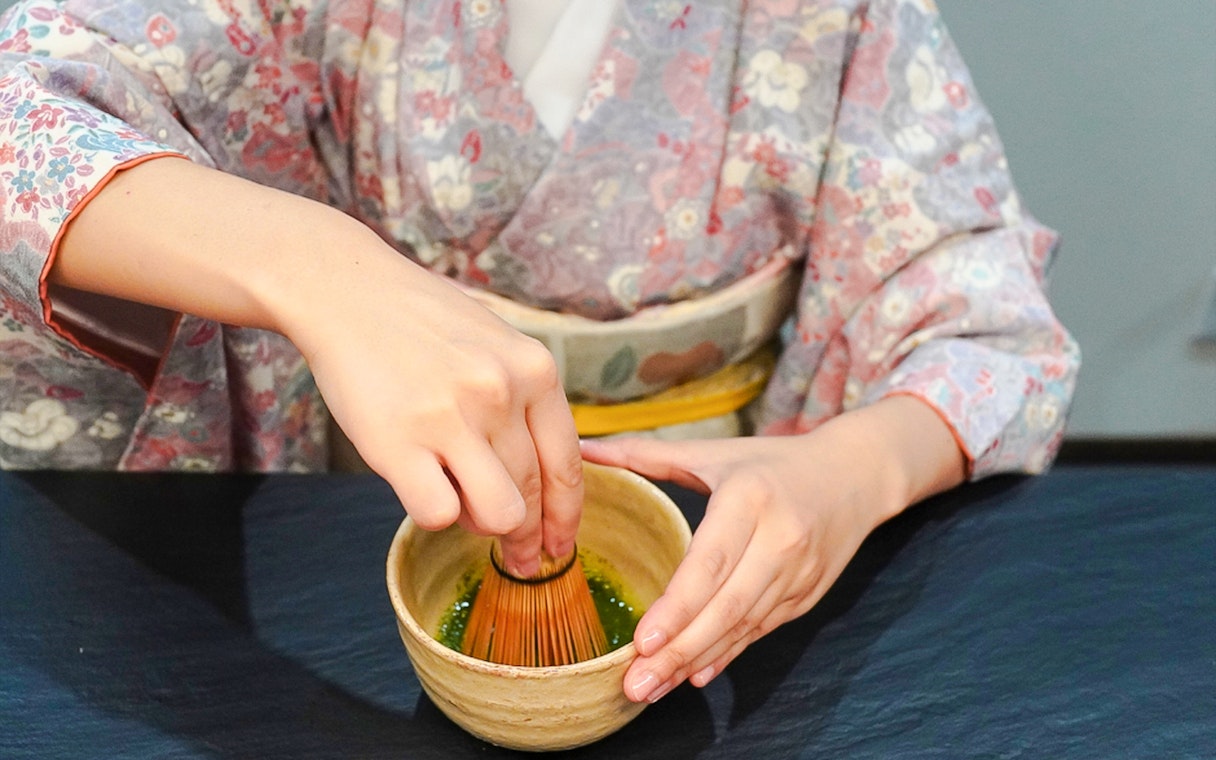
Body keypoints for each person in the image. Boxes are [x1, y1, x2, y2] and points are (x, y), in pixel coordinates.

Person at [0, 0, 1079, 705]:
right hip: (377, 522)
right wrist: (322, 270)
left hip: (714, 554)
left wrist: (851, 474)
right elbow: (26, 100)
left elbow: (984, 319)